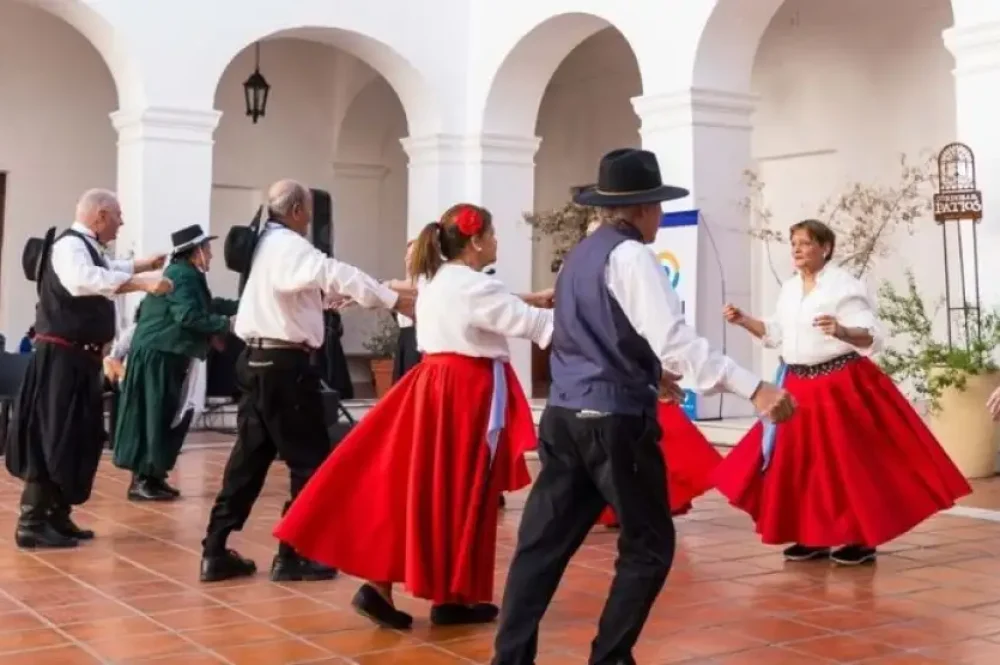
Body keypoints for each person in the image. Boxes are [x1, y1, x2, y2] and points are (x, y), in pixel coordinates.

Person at [491, 149, 795, 665]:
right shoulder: (632, 257)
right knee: (649, 544)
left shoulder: (578, 257)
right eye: (655, 206)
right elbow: (675, 340)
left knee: (540, 547)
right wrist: (754, 388)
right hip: (614, 424)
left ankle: (511, 659)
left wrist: (653, 376)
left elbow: (585, 336)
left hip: (565, 417)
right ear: (644, 208)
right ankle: (610, 657)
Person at [274, 203, 553, 630]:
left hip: (433, 386)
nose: (497, 241)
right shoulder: (474, 287)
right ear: (475, 241)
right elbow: (535, 326)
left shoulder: (438, 281)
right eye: (493, 234)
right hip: (466, 393)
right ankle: (450, 593)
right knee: (462, 491)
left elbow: (505, 306)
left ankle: (414, 588)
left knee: (418, 487)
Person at [712, 218, 971, 566]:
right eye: (794, 244)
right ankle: (812, 536)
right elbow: (776, 333)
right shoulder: (790, 288)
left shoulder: (842, 286)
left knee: (848, 464)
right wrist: (745, 320)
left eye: (805, 243)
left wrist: (842, 330)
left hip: (839, 384)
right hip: (797, 385)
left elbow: (871, 333)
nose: (797, 250)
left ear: (825, 248)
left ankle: (860, 538)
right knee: (801, 464)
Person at [199, 179, 415, 584]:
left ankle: (214, 549)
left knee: (248, 461)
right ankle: (293, 554)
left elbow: (298, 292)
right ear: (297, 210)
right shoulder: (290, 246)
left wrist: (331, 300)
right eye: (309, 210)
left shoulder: (267, 244)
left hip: (258, 361)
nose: (311, 218)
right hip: (283, 368)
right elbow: (333, 272)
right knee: (310, 463)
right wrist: (390, 299)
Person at [6, 189, 171, 548]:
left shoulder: (88, 247)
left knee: (77, 436)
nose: (121, 222)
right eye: (118, 216)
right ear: (100, 215)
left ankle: (58, 515)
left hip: (80, 360)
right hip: (60, 360)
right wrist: (143, 283)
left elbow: (107, 269)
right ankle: (32, 522)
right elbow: (84, 280)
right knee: (52, 435)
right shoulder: (68, 247)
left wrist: (145, 265)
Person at [112, 225, 237, 501]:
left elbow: (207, 305)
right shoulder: (181, 274)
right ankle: (142, 479)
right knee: (153, 414)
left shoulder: (188, 275)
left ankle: (153, 476)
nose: (211, 255)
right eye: (207, 249)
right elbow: (188, 316)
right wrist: (227, 324)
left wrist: (242, 305)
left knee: (164, 414)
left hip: (166, 353)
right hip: (158, 353)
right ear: (195, 252)